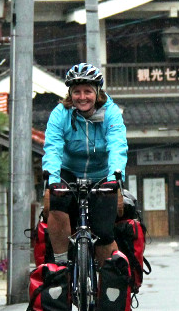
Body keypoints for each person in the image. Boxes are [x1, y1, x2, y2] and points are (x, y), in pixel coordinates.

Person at [42, 63, 128, 266]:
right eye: (77, 92)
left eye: (87, 91)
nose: (82, 97)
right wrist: (52, 181)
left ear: (97, 92)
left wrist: (114, 177)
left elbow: (117, 144)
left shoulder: (111, 113)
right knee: (57, 205)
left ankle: (106, 277)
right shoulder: (60, 114)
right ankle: (61, 264)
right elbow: (53, 147)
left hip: (102, 175)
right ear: (70, 94)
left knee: (104, 232)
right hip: (69, 171)